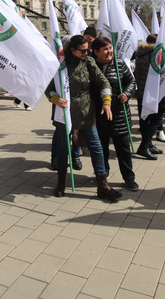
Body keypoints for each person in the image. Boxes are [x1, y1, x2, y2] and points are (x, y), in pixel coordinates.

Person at [49, 35, 121, 201]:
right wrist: (55, 99)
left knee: (96, 148)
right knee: (62, 150)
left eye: (88, 49)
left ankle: (102, 185)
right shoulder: (60, 65)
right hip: (64, 114)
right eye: (83, 50)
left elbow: (103, 82)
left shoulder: (88, 62)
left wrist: (107, 102)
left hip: (86, 112)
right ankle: (61, 183)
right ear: (72, 50)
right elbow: (49, 89)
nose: (87, 52)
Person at [92, 37, 138, 191]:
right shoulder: (91, 65)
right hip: (99, 115)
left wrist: (126, 93)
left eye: (110, 48)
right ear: (96, 52)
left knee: (123, 150)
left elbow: (131, 81)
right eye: (105, 49)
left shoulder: (118, 63)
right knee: (101, 148)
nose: (109, 51)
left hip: (119, 114)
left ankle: (129, 178)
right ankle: (103, 175)